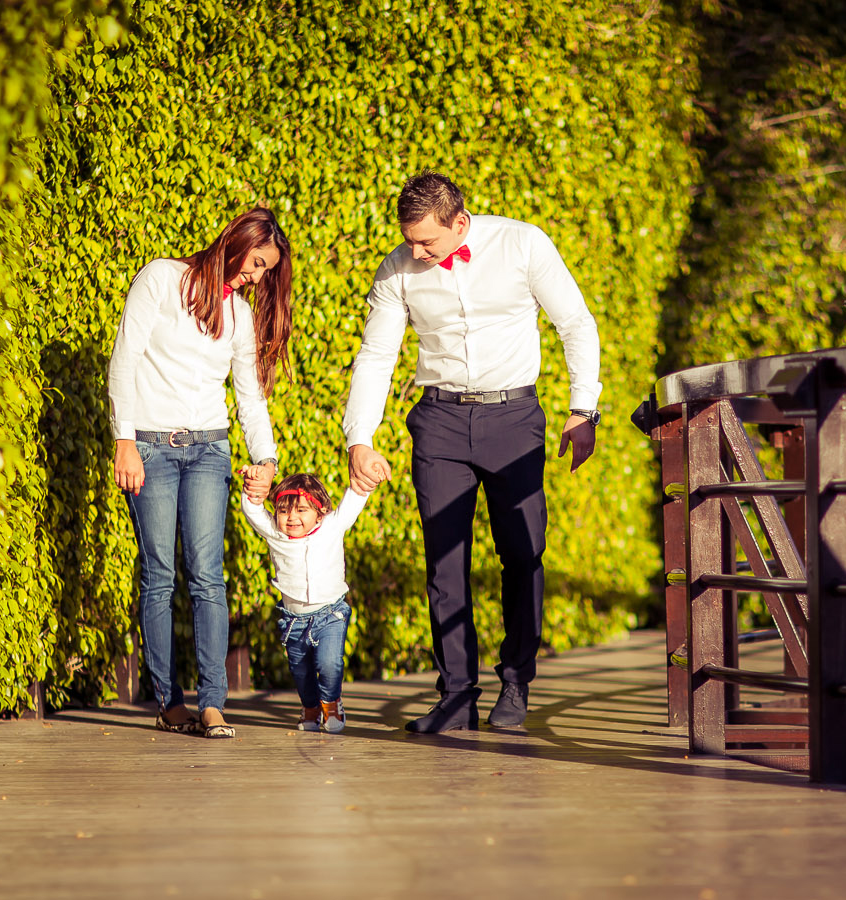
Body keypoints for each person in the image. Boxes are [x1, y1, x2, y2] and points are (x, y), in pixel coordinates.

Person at [343, 171, 601, 733]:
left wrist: (584, 409)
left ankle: (516, 681)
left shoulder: (522, 243)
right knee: (444, 561)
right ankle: (456, 694)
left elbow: (575, 323)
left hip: (514, 418)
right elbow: (377, 354)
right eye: (409, 240)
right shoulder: (398, 270)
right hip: (439, 420)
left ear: (459, 222)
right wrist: (359, 437)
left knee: (522, 551)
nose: (415, 252)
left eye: (427, 242)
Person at [108, 207, 292, 739]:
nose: (256, 276)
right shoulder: (162, 279)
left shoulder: (237, 314)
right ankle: (169, 703)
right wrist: (125, 441)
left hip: (209, 449)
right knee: (159, 574)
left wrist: (267, 459)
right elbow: (124, 359)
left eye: (265, 271)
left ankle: (213, 703)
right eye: (256, 262)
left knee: (209, 576)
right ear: (235, 241)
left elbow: (250, 396)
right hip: (151, 448)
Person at [241, 471, 378, 733]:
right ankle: (311, 707)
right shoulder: (275, 534)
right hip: (293, 621)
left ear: (320, 511)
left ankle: (330, 703)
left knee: (329, 664)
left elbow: (356, 496)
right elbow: (251, 508)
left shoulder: (332, 526)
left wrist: (368, 472)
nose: (291, 517)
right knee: (300, 672)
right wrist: (254, 480)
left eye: (302, 510)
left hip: (330, 614)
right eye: (283, 511)